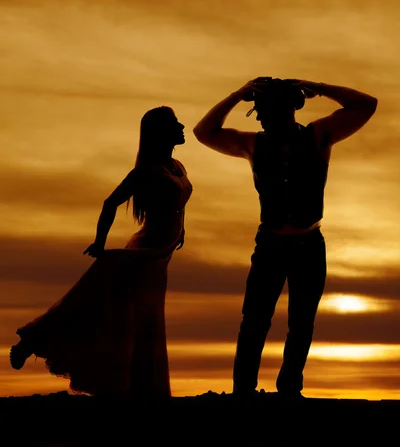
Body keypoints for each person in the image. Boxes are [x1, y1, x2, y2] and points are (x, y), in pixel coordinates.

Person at [193, 77, 377, 399]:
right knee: (254, 321)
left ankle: (289, 390)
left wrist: (317, 86)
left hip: (309, 244)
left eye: (264, 109)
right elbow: (203, 132)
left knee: (302, 323)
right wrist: (237, 95)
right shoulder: (253, 144)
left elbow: (367, 105)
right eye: (258, 109)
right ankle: (243, 393)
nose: (261, 117)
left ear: (288, 108)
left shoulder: (319, 135)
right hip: (270, 245)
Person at [10, 106, 192, 399]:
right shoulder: (146, 171)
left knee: (147, 319)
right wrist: (99, 242)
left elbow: (177, 204)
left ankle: (142, 388)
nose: (182, 127)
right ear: (160, 132)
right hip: (145, 251)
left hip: (162, 254)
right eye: (175, 124)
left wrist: (182, 231)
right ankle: (34, 338)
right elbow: (110, 203)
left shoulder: (177, 166)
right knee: (103, 302)